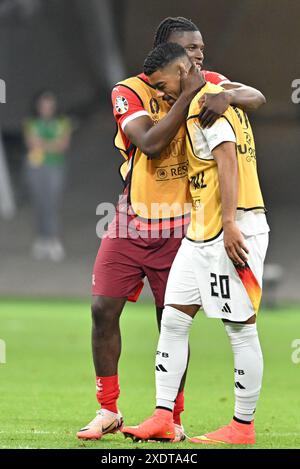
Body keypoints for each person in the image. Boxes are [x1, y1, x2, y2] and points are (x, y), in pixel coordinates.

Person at [77, 17, 266, 442]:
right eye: (191, 49)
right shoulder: (130, 90)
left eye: (201, 48)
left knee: (174, 320)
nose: (201, 56)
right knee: (102, 309)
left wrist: (223, 94)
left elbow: (256, 96)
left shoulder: (208, 82)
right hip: (132, 218)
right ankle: (108, 410)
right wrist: (194, 96)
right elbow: (149, 142)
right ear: (169, 53)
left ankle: (173, 418)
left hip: (186, 223)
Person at [122, 43, 270, 445]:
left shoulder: (205, 101)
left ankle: (242, 426)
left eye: (164, 84)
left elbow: (226, 156)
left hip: (232, 228)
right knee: (173, 318)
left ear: (183, 69)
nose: (162, 93)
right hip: (200, 231)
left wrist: (229, 224)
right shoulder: (207, 96)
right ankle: (163, 417)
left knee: (240, 329)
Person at [24, 90, 71, 261]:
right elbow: (32, 144)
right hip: (35, 167)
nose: (47, 109)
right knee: (39, 203)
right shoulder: (31, 122)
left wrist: (43, 144)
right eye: (43, 105)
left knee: (52, 202)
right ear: (37, 106)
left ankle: (54, 239)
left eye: (50, 105)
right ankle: (41, 239)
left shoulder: (63, 122)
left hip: (55, 167)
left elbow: (62, 146)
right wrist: (52, 144)